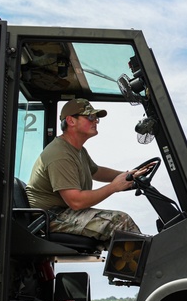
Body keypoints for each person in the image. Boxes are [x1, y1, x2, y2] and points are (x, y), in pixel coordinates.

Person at [26, 98, 145, 243]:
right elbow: (76, 202)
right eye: (90, 117)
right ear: (71, 121)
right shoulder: (60, 155)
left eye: (96, 118)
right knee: (120, 222)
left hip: (63, 212)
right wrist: (114, 187)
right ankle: (146, 265)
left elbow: (96, 171)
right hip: (50, 217)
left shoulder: (78, 150)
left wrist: (128, 175)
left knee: (118, 224)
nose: (95, 121)